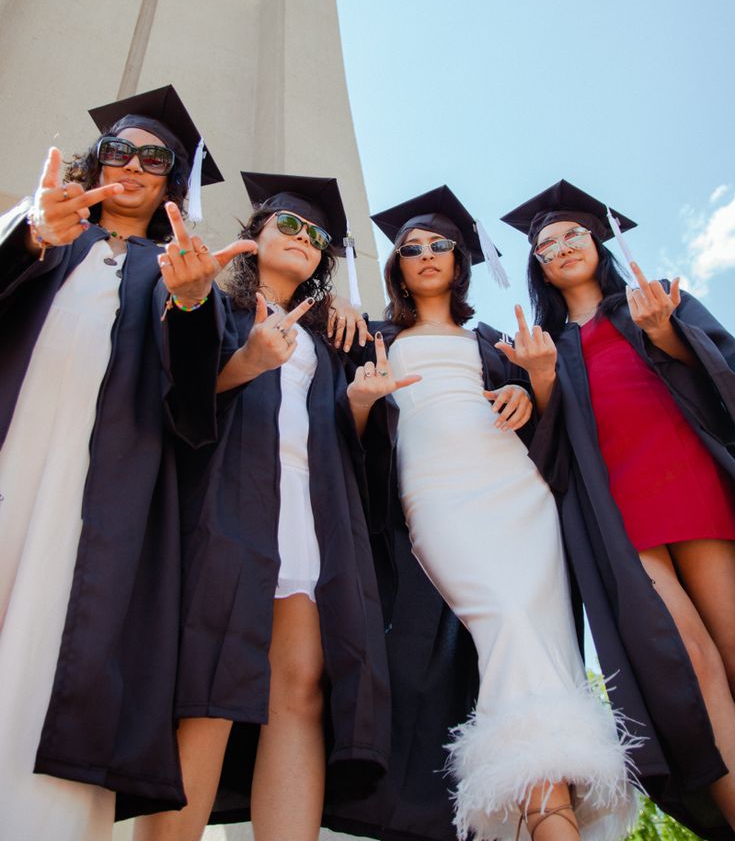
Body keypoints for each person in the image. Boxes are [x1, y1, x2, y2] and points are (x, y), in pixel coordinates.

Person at [345, 186, 638, 841]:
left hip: (519, 494)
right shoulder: (372, 337)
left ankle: (553, 814)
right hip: (439, 499)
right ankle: (542, 809)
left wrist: (525, 388)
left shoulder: (496, 339)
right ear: (396, 265)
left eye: (439, 245)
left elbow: (551, 417)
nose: (425, 255)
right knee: (502, 618)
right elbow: (348, 430)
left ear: (460, 261)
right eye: (411, 248)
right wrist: (362, 403)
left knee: (545, 640)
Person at [0, 85, 253, 840]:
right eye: (120, 151)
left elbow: (190, 407)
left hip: (100, 490)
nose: (135, 166)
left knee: (56, 638)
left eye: (155, 158)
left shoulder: (174, 269)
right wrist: (29, 233)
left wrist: (191, 304)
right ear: (95, 160)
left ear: (174, 180)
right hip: (12, 452)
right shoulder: (43, 227)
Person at [135, 172, 390, 841]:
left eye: (318, 238)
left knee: (300, 687)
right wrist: (246, 362)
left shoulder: (328, 339)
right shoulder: (211, 303)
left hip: (304, 511)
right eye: (291, 227)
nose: (305, 241)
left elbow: (340, 439)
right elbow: (180, 405)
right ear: (255, 237)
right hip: (226, 500)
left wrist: (358, 404)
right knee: (212, 689)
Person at [501, 177, 735, 841]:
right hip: (618, 508)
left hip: (690, 483)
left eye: (573, 233)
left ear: (598, 239)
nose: (562, 246)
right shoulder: (543, 347)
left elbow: (723, 376)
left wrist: (666, 336)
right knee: (686, 663)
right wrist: (540, 381)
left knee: (732, 644)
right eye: (547, 244)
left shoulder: (653, 301)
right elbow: (548, 452)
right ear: (538, 266)